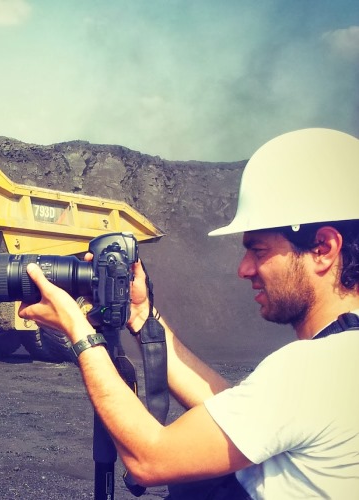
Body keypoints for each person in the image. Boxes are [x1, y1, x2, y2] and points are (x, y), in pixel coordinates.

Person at [18, 128, 359, 499]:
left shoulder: (317, 370)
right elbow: (238, 413)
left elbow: (150, 459)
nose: (243, 269)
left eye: (258, 251)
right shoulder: (339, 363)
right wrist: (141, 316)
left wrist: (79, 331)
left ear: (323, 249)